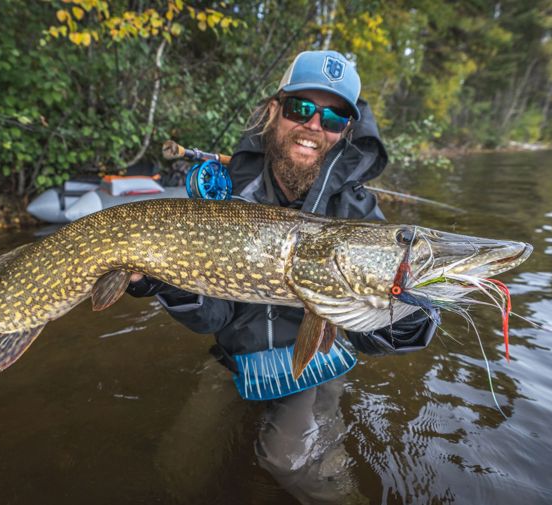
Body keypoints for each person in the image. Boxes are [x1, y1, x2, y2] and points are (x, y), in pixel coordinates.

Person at [127, 50, 438, 504]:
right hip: (235, 357)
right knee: (176, 465)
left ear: (345, 132)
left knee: (290, 462)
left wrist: (407, 313)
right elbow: (211, 316)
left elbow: (373, 337)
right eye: (301, 109)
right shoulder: (229, 191)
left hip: (316, 361)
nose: (315, 125)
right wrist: (165, 281)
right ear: (275, 111)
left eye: (332, 118)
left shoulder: (358, 213)